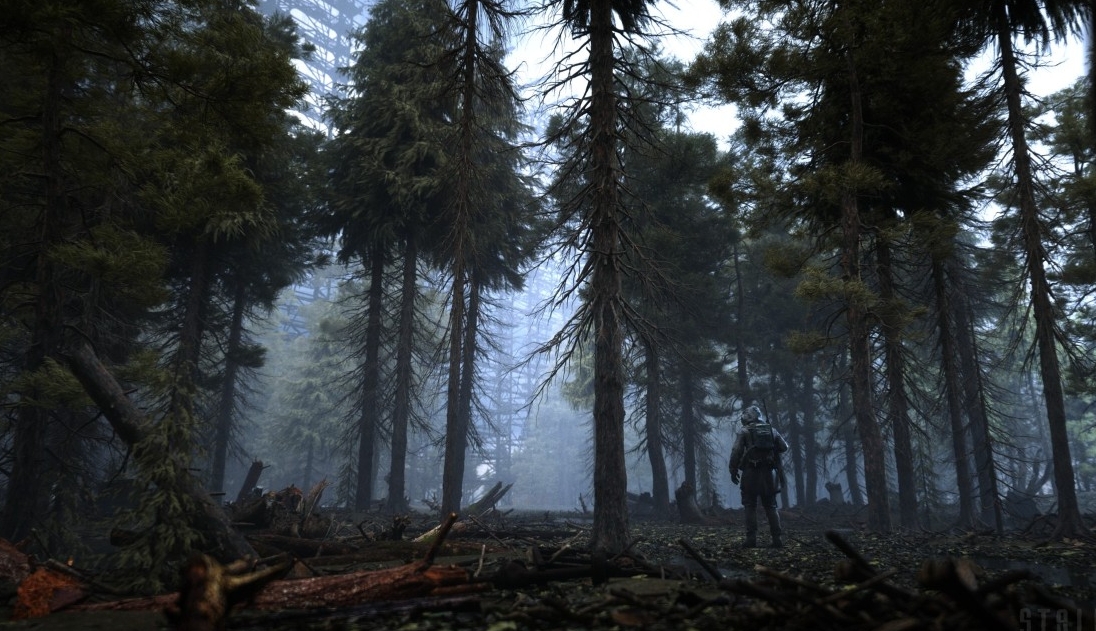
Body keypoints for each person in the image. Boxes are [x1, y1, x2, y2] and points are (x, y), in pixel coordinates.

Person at [729, 405, 789, 548]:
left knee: (750, 506)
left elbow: (736, 451)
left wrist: (733, 469)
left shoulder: (745, 431)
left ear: (747, 417)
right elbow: (784, 447)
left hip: (751, 474)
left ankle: (751, 539)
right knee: (771, 506)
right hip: (769, 474)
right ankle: (777, 539)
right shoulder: (771, 430)